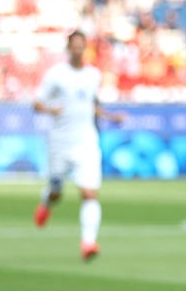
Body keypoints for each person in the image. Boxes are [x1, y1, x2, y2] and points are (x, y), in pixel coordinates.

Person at [32, 30, 126, 261]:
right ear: (68, 49)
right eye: (74, 45)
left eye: (81, 46)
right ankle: (46, 203)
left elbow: (90, 104)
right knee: (57, 191)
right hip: (60, 142)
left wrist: (110, 117)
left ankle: (88, 242)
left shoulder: (92, 75)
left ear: (85, 48)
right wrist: (50, 109)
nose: (77, 50)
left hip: (86, 141)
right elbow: (36, 103)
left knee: (89, 192)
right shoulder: (56, 75)